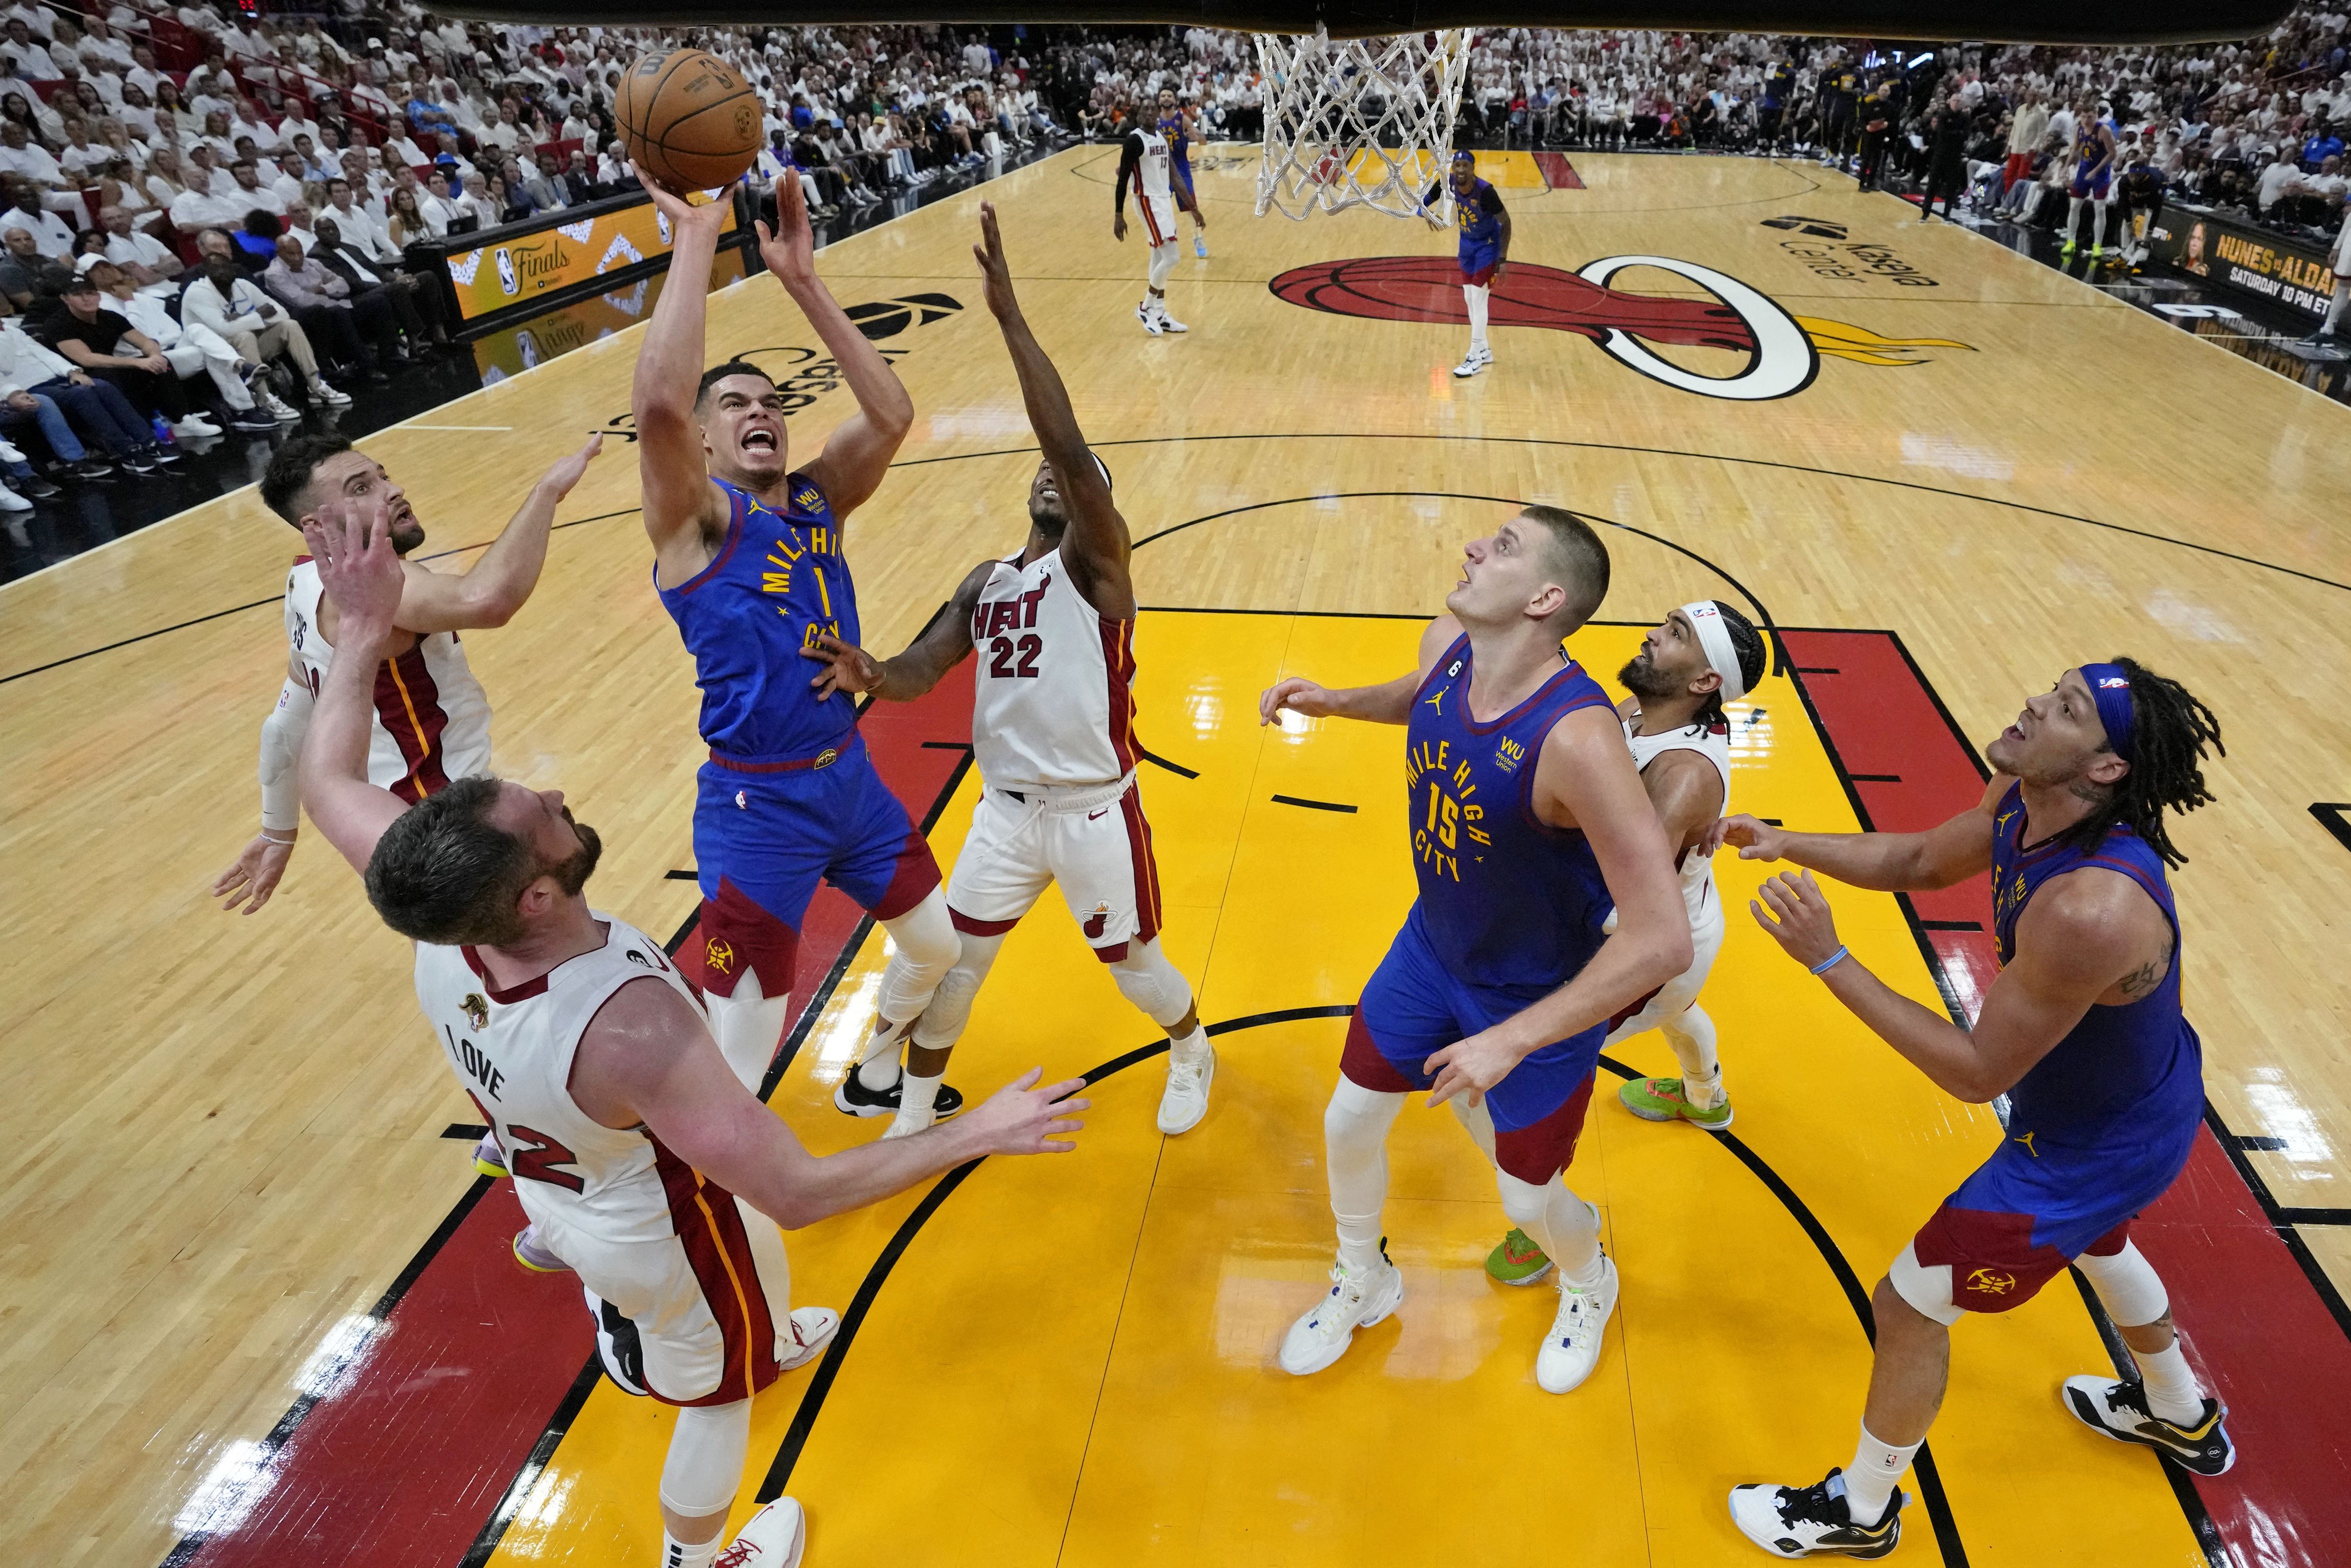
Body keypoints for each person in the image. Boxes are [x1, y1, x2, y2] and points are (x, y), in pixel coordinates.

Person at [291, 502, 1088, 1568]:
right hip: (655, 1223)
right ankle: (698, 1553)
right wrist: (974, 1130)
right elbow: (798, 1192)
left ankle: (739, 1326)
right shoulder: (633, 1026)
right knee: (719, 1393)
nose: (560, 793)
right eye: (545, 816)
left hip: (564, 1187)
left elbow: (327, 778)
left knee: (726, 1295)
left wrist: (356, 635)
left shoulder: (437, 909)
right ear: (536, 895)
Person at [1719, 660, 2233, 1557]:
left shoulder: (2091, 907)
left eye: (2068, 706)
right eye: (2055, 686)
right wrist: (1783, 838)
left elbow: (1972, 1071)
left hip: (2092, 1145)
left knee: (1908, 1302)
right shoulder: (2021, 793)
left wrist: (1828, 957)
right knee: (2103, 1241)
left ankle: (1862, 1510)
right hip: (2133, 1095)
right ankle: (2178, 1412)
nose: (2037, 699)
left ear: (2106, 768)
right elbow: (1919, 858)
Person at [796, 203, 1215, 1141]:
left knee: (1134, 965)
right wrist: (868, 671)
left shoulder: (1097, 568)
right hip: (1005, 810)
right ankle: (909, 1112)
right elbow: (918, 671)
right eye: (1043, 473)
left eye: (1070, 477)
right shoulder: (988, 579)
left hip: (1092, 807)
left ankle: (1191, 1043)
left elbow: (1067, 449)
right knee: (957, 965)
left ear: (1090, 496)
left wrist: (1010, 318)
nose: (1051, 475)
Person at [1256, 507, 1691, 1393]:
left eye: (1501, 547)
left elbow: (1660, 937)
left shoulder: (1577, 739)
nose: (1471, 547)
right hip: (1431, 950)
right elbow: (1422, 694)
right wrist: (1333, 700)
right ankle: (1363, 1275)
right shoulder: (1452, 641)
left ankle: (1587, 1278)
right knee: (1347, 1118)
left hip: (1526, 994)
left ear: (1544, 596)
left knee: (1527, 1199)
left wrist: (1511, 1038)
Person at [631, 172, 964, 1110]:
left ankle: (871, 1069)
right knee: (743, 1056)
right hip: (755, 807)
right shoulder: (694, 525)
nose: (759, 412)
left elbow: (892, 415)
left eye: (770, 401)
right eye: (734, 405)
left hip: (848, 779)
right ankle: (696, 1200)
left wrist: (803, 282)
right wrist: (696, 237)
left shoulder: (819, 497)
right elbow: (657, 406)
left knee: (937, 946)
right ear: (700, 440)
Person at [1482, 600, 1767, 1286]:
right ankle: (1705, 1097)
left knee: (1551, 1057)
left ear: (1704, 681)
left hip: (1654, 943)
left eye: (1673, 636)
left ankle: (1547, 1219)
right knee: (1677, 1012)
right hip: (1691, 920)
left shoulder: (1683, 777)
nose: (1650, 635)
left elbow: (1623, 909)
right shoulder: (1648, 709)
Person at [89, 257, 278, 431]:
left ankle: (240, 370)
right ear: (88, 278)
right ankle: (243, 405)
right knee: (211, 352)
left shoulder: (141, 298)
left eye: (106, 266)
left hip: (170, 352)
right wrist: (129, 302)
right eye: (96, 270)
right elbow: (138, 338)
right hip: (142, 362)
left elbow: (175, 330)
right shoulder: (102, 306)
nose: (105, 271)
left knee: (197, 329)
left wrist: (156, 341)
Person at [38, 270, 217, 438]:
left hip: (109, 367)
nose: (86, 299)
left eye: (90, 293)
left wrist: (154, 355)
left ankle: (181, 421)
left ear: (99, 295)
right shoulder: (58, 323)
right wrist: (138, 363)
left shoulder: (109, 317)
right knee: (112, 377)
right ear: (65, 299)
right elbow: (87, 359)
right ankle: (143, 430)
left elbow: (146, 342)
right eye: (78, 295)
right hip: (76, 374)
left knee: (162, 364)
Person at [182, 247, 347, 409]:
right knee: (244, 336)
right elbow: (225, 330)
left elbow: (282, 314)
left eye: (226, 266)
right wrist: (259, 314)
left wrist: (245, 318)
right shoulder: (197, 292)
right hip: (217, 356)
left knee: (289, 326)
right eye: (215, 267)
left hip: (248, 348)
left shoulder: (243, 285)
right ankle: (265, 397)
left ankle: (316, 386)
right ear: (206, 272)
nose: (222, 271)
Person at [1424, 149, 1509, 378]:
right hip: (1466, 245)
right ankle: (1485, 350)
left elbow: (1507, 222)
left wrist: (1502, 259)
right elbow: (1423, 203)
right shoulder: (1448, 183)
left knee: (1479, 298)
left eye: (1465, 166)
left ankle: (1474, 357)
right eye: (1457, 166)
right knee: (1469, 298)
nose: (1460, 170)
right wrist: (1428, 214)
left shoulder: (1485, 192)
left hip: (1488, 247)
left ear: (1473, 169)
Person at [1112, 98, 1188, 335]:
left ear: (1158, 113)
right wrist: (1118, 214)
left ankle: (1160, 313)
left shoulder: (1160, 137)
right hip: (1146, 201)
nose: (1148, 112)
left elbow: (1173, 174)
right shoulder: (1135, 140)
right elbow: (1123, 178)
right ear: (1138, 115)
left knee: (1158, 255)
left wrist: (1193, 208)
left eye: (1152, 109)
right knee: (1172, 257)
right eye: (1144, 109)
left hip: (1163, 201)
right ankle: (1146, 308)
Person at [1156, 87, 1208, 259]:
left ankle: (1197, 238)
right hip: (1161, 170)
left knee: (1190, 207)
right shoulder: (1154, 120)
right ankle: (1163, 243)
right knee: (1160, 209)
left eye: (1169, 95)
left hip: (1180, 169)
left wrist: (1197, 135)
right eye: (1163, 95)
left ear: (1175, 100)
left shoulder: (1182, 119)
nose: (1166, 98)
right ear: (1159, 100)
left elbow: (1202, 141)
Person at [2062, 100, 2118, 258]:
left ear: (2097, 116)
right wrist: (2066, 166)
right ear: (2080, 116)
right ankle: (2071, 242)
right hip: (2084, 171)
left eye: (2091, 117)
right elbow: (2075, 150)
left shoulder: (2104, 131)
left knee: (2100, 209)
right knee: (2074, 206)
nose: (2087, 120)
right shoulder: (2078, 130)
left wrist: (2096, 170)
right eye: (2084, 117)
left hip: (2100, 174)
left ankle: (2097, 246)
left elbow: (2112, 154)